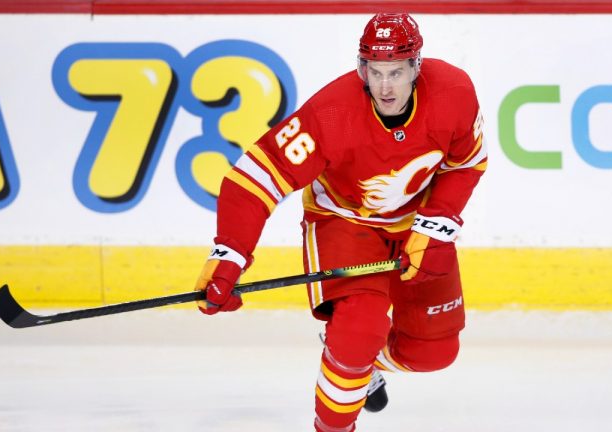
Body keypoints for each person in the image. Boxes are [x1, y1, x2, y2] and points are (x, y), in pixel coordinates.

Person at [194, 12, 486, 432]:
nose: (385, 87)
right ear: (362, 67)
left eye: (397, 72)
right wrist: (229, 254)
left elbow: (466, 163)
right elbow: (256, 178)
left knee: (433, 353)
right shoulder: (331, 113)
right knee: (358, 331)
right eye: (375, 71)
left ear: (416, 67)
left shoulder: (454, 93)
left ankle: (355, 367)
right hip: (345, 224)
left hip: (416, 226)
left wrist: (436, 224)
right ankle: (339, 403)